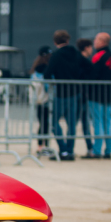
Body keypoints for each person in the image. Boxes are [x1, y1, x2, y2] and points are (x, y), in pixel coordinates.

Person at [44, 30, 81, 161]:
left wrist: (53, 82)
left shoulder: (56, 55)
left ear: (55, 42)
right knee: (71, 124)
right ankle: (69, 151)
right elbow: (85, 69)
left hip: (61, 93)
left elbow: (47, 74)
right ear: (68, 40)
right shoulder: (76, 54)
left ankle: (63, 149)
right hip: (75, 93)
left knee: (54, 122)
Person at [88, 32, 111, 160]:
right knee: (107, 122)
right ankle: (108, 150)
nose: (94, 42)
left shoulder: (97, 56)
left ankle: (96, 150)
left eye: (96, 39)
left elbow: (93, 74)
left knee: (98, 122)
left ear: (102, 42)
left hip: (96, 94)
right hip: (108, 93)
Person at [30, 47, 53, 155]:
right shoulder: (46, 68)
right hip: (46, 99)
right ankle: (44, 146)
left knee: (42, 123)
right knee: (45, 124)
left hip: (38, 100)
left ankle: (41, 146)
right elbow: (48, 83)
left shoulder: (35, 68)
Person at [76, 38, 95, 157]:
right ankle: (90, 147)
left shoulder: (76, 59)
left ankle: (68, 148)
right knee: (84, 123)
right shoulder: (86, 62)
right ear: (87, 47)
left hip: (77, 94)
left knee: (76, 123)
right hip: (82, 95)